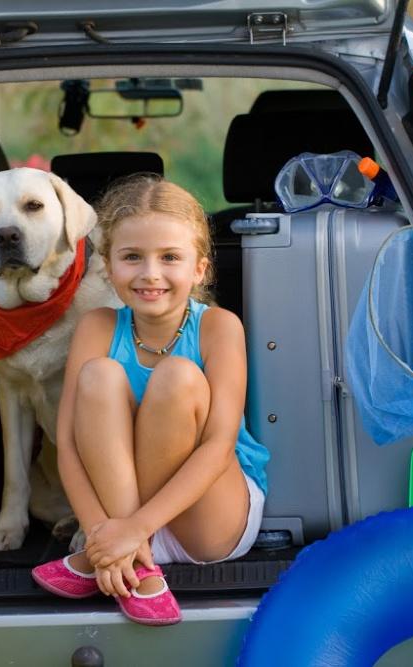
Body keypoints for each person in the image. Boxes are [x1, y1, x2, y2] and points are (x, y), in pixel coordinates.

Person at [31, 175, 270, 626]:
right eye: (132, 257)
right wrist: (102, 531)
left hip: (206, 514)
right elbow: (68, 443)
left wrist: (130, 531)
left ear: (200, 269)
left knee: (177, 376)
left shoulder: (219, 327)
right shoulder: (97, 327)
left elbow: (218, 447)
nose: (150, 274)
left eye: (170, 258)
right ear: (108, 264)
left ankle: (119, 553)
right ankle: (136, 566)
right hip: (119, 520)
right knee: (98, 375)